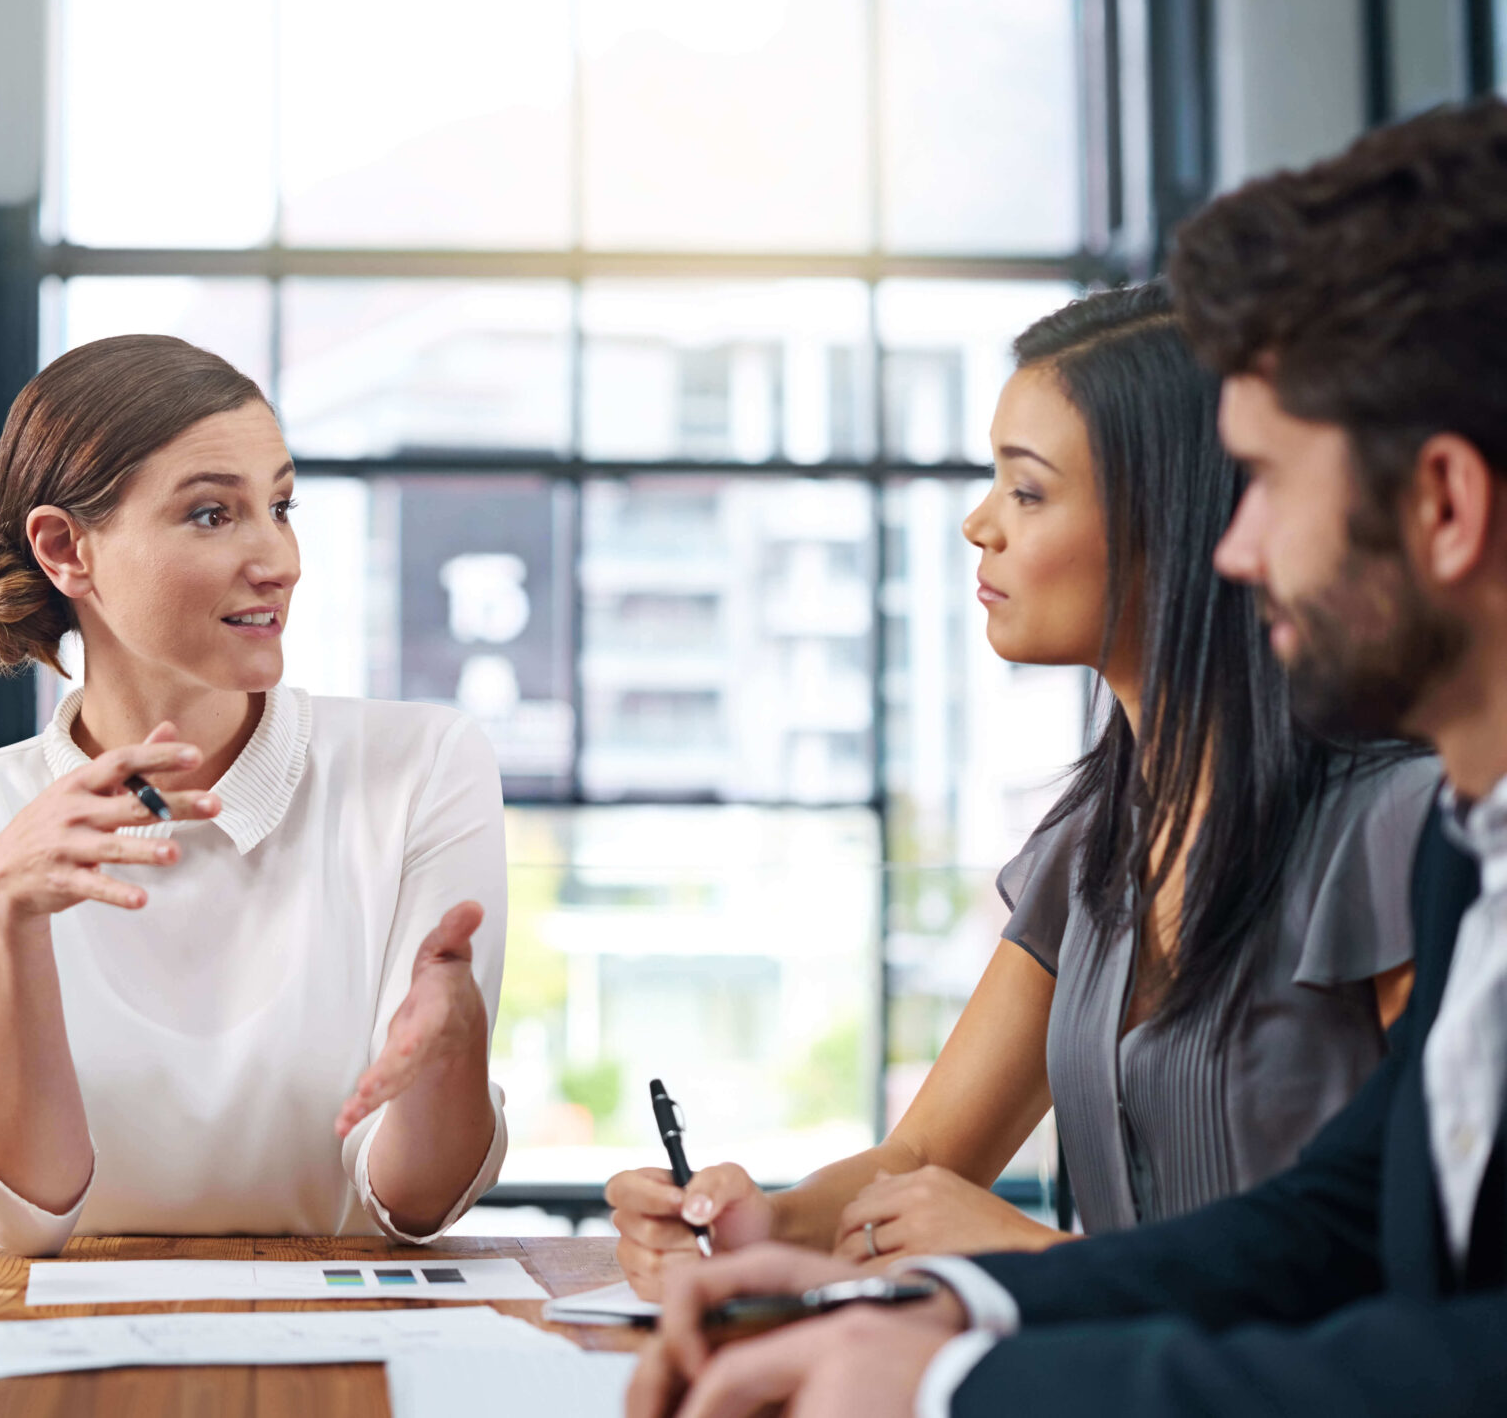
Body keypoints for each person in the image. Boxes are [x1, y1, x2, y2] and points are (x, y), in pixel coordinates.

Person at [631, 99, 1507, 1418]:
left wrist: (977, 1357)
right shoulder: (1462, 852)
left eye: (1029, 488)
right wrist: (921, 1294)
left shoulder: (1399, 826)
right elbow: (1342, 1217)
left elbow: (1425, 1319)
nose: (1240, 545)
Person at [606, 284, 1435, 1286]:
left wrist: (1035, 1257)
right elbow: (919, 1161)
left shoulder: (1399, 832)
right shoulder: (1093, 843)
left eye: (1026, 491)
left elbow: (1432, 1270)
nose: (977, 524)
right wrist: (744, 1226)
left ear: (1171, 521)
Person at [0, 334, 509, 1254]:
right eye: (213, 515)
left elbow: (409, 1203)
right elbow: (21, 1217)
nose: (277, 560)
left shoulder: (423, 765)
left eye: (280, 507)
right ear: (66, 550)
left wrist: (454, 1058)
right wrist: (7, 913)